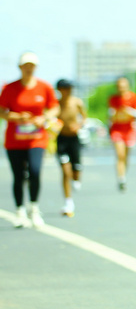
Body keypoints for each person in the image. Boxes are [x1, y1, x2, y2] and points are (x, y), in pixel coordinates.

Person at [0, 52, 59, 228]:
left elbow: (54, 108)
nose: (28, 68)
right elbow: (2, 111)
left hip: (36, 139)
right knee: (18, 176)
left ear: (36, 67)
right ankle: (20, 211)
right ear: (20, 67)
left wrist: (44, 117)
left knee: (34, 171)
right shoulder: (9, 88)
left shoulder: (44, 86)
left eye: (32, 65)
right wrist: (17, 117)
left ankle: (34, 208)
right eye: (25, 65)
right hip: (15, 140)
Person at [56, 79, 86, 216]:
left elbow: (84, 118)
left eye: (69, 88)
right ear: (60, 90)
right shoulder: (56, 104)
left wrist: (78, 126)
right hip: (61, 139)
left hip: (74, 139)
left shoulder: (77, 102)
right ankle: (68, 201)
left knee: (76, 169)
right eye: (65, 88)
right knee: (65, 170)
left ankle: (76, 178)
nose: (68, 91)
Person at [108, 76, 136, 192]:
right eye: (119, 86)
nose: (121, 88)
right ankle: (121, 179)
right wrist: (114, 114)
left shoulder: (133, 97)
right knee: (120, 155)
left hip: (129, 130)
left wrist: (129, 111)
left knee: (126, 156)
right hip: (117, 129)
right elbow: (110, 114)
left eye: (123, 86)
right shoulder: (113, 99)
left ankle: (123, 175)